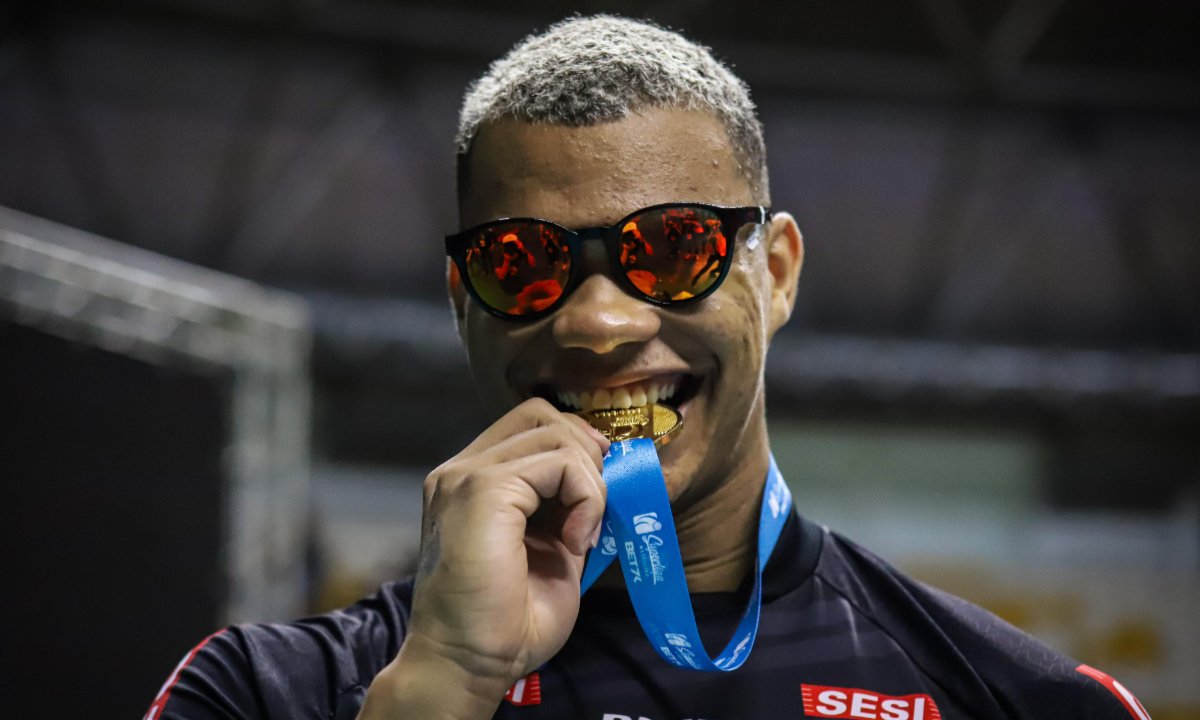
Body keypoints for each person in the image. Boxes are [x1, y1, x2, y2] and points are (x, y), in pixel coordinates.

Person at [146, 15, 1152, 720]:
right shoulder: (266, 694)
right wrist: (443, 684)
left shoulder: (1019, 701)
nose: (596, 324)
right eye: (520, 264)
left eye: (672, 250)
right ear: (464, 304)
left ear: (781, 273)